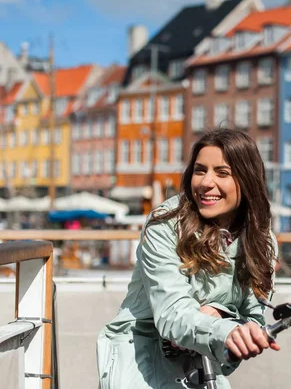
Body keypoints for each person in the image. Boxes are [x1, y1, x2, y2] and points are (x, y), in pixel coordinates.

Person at [96, 128, 279, 388]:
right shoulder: (165, 224)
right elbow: (172, 313)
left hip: (205, 367)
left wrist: (223, 318)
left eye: (222, 173)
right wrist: (224, 328)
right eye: (200, 170)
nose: (206, 182)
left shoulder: (263, 241)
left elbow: (254, 319)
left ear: (248, 179)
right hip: (142, 360)